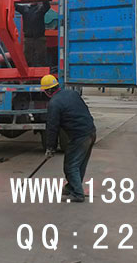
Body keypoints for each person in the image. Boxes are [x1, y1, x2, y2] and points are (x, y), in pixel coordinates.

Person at [41, 74, 96, 203]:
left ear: (47, 91)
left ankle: (77, 193)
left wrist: (50, 148)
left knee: (70, 165)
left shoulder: (54, 103)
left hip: (79, 136)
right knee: (80, 164)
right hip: (91, 131)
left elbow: (52, 128)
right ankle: (72, 187)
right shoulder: (72, 93)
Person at [15, 0, 51, 66]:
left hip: (38, 38)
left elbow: (47, 6)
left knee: (41, 58)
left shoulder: (40, 9)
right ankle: (29, 70)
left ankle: (41, 70)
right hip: (29, 39)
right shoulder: (25, 9)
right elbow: (15, 5)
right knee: (28, 59)